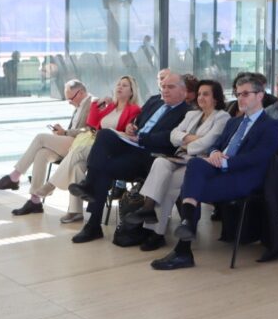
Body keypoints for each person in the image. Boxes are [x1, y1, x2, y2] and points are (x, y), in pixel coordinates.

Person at [150, 73, 278, 270]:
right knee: (195, 165)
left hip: (245, 178)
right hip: (220, 170)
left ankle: (183, 248)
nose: (240, 99)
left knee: (190, 186)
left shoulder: (271, 125)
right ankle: (185, 231)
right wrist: (214, 153)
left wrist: (226, 163)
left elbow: (259, 157)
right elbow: (216, 146)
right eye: (238, 94)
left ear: (260, 95)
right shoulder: (234, 122)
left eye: (246, 94)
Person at [68, 71, 189, 242]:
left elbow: (171, 138)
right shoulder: (155, 101)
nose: (165, 90)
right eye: (163, 87)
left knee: (101, 169)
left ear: (183, 92)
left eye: (171, 87)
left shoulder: (187, 112)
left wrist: (143, 137)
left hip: (151, 156)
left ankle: (90, 197)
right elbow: (138, 120)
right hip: (133, 145)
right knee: (104, 136)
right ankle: (93, 223)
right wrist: (132, 126)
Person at [124, 80, 230, 251]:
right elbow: (173, 135)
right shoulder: (192, 115)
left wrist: (186, 139)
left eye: (206, 94)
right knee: (159, 162)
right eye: (200, 93)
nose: (201, 97)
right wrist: (191, 139)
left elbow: (208, 142)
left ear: (216, 98)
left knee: (169, 185)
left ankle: (156, 233)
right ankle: (148, 208)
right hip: (180, 156)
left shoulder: (222, 117)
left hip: (199, 162)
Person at [0, 79, 93, 214]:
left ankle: (14, 177)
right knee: (41, 154)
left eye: (71, 98)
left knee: (40, 138)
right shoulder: (78, 106)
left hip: (80, 145)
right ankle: (35, 201)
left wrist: (65, 132)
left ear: (81, 92)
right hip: (69, 142)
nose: (69, 102)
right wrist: (61, 133)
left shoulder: (92, 103)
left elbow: (90, 130)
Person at [46, 76, 141, 223]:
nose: (120, 87)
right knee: (77, 166)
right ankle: (75, 211)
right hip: (95, 146)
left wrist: (110, 133)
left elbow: (128, 134)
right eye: (118, 84)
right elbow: (92, 123)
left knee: (77, 151)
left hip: (113, 149)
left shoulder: (134, 109)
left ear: (131, 91)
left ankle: (51, 185)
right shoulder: (110, 107)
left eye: (125, 85)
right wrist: (98, 103)